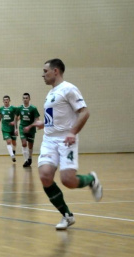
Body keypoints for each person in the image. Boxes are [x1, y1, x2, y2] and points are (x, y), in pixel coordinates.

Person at [24, 59, 103, 230]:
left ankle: (91, 179)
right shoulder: (51, 93)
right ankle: (66, 215)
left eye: (45, 71)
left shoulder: (68, 89)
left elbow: (84, 112)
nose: (43, 74)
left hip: (66, 140)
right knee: (45, 176)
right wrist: (42, 124)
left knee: (68, 180)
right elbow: (55, 117)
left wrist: (72, 132)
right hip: (49, 140)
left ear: (56, 71)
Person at [17, 92, 41, 168]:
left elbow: (37, 120)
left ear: (29, 99)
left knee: (30, 146)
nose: (25, 99)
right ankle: (26, 160)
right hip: (22, 127)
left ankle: (30, 158)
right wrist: (14, 126)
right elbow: (17, 117)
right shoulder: (20, 108)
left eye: (26, 98)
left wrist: (30, 127)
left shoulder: (33, 108)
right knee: (24, 143)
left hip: (31, 129)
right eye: (24, 98)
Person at [0, 95, 19, 162]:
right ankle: (12, 156)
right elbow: (0, 116)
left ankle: (13, 151)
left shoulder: (13, 108)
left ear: (9, 100)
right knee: (8, 141)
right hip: (5, 128)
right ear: (3, 101)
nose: (6, 101)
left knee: (14, 142)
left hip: (13, 128)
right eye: (4, 100)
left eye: (7, 99)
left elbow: (18, 117)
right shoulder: (1, 109)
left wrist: (14, 122)